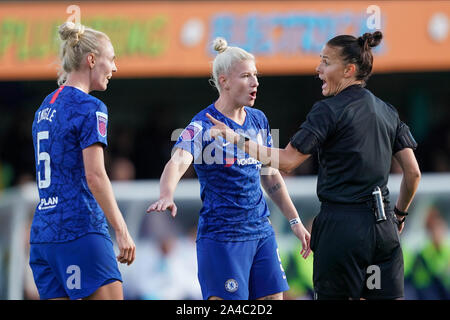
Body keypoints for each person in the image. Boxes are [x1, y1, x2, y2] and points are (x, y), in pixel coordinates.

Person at [207, 31, 421, 300]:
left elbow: (286, 161)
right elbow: (413, 174)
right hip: (384, 229)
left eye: (325, 62)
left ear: (348, 70)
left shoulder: (328, 110)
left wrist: (235, 138)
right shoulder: (388, 111)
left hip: (343, 231)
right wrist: (399, 215)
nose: (318, 69)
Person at [147, 37, 311, 300]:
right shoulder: (203, 124)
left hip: (261, 232)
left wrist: (295, 221)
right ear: (224, 81)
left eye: (256, 75)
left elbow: (270, 174)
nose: (255, 82)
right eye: (246, 76)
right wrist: (167, 193)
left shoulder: (258, 120)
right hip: (222, 237)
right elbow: (177, 161)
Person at [29, 22, 135, 300]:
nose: (115, 68)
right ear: (91, 60)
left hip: (43, 236)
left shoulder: (44, 107)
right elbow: (95, 176)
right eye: (111, 59)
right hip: (79, 230)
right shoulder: (91, 107)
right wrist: (121, 231)